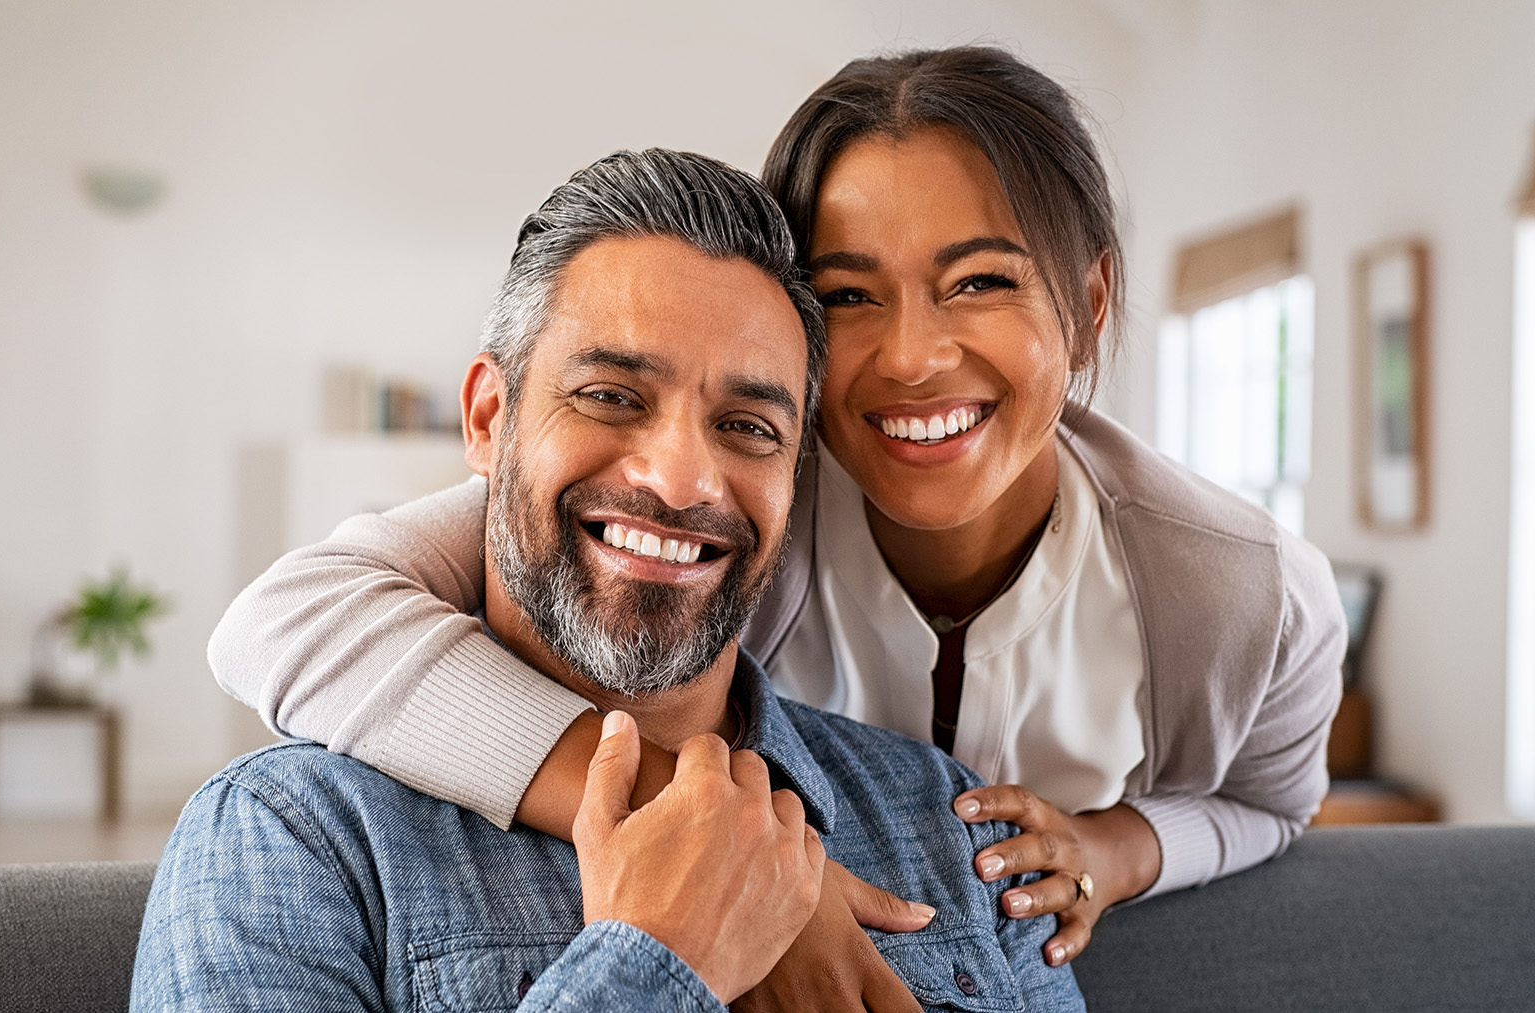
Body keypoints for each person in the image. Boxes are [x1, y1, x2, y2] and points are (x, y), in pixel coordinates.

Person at [209, 45, 1345, 988]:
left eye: (981, 281)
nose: (910, 356)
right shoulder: (739, 503)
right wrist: (727, 858)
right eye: (848, 295)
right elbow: (291, 616)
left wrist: (1117, 844)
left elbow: (1270, 803)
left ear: (1088, 304)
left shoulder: (1233, 591)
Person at [133, 148, 1084, 1013]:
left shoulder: (951, 826)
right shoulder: (292, 841)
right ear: (489, 420)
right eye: (611, 398)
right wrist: (657, 959)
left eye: (749, 426)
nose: (679, 480)